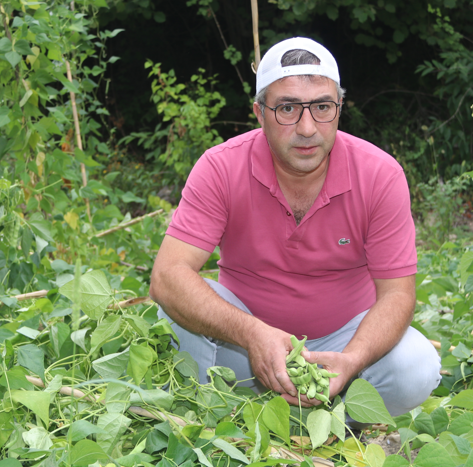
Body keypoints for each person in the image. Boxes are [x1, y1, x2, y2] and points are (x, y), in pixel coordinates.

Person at [149, 37, 441, 417]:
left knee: (417, 366)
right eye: (287, 108)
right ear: (259, 112)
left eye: (322, 107)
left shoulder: (379, 174)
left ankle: (325, 414)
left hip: (340, 349)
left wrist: (351, 360)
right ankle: (227, 416)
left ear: (340, 108)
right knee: (171, 318)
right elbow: (167, 276)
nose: (307, 128)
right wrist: (253, 334)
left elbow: (398, 296)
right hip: (244, 350)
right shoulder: (221, 167)